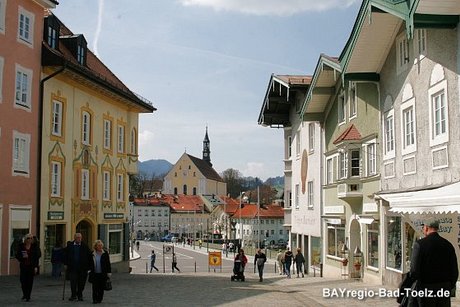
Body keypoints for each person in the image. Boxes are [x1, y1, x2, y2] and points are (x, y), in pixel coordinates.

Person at [408, 218, 458, 307]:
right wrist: (449, 286)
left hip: (426, 288)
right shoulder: (448, 245)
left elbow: (414, 271)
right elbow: (454, 270)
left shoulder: (420, 244)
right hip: (444, 288)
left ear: (426, 228)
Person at [64, 233, 92, 301]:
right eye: (77, 238)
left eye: (80, 238)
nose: (79, 239)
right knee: (73, 282)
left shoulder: (84, 246)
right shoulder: (70, 245)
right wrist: (65, 264)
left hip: (82, 268)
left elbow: (89, 256)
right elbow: (65, 255)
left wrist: (89, 267)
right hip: (72, 268)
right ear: (74, 238)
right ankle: (73, 295)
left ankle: (80, 295)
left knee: (81, 283)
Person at [15, 234, 41, 302]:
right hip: (24, 266)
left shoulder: (35, 246)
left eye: (31, 238)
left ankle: (28, 296)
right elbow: (17, 255)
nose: (30, 239)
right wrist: (22, 258)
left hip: (31, 266)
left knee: (30, 281)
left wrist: (36, 266)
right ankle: (25, 293)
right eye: (29, 238)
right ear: (26, 239)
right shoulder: (21, 246)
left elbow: (38, 256)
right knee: (23, 281)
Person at [88, 240, 111, 304]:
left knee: (101, 287)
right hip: (94, 273)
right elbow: (89, 263)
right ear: (95, 246)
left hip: (102, 273)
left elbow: (108, 263)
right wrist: (89, 271)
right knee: (95, 287)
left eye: (101, 245)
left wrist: (109, 272)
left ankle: (99, 299)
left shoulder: (105, 253)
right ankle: (94, 299)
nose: (100, 246)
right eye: (98, 245)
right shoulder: (92, 253)